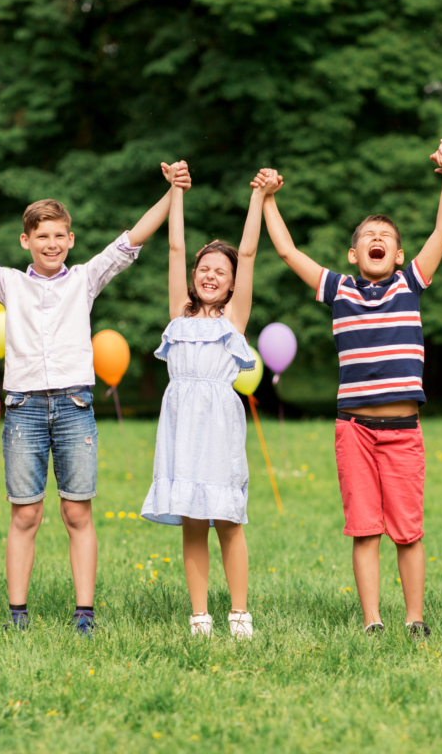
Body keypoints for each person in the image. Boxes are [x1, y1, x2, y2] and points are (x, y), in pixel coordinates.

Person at [0, 165, 179, 635]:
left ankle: (84, 614)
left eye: (59, 236)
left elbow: (132, 240)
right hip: (24, 408)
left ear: (71, 240)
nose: (51, 243)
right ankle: (17, 615)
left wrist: (172, 192)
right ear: (26, 240)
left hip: (75, 407)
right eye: (41, 235)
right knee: (25, 513)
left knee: (76, 511)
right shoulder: (9, 283)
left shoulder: (84, 280)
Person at [262, 140, 442, 637]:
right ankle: (373, 620)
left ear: (397, 254)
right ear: (354, 254)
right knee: (365, 528)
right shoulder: (340, 289)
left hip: (403, 431)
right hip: (354, 430)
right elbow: (287, 250)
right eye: (368, 237)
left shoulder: (409, 284)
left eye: (386, 237)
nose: (377, 240)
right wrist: (268, 200)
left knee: (407, 531)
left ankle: (415, 619)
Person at [141, 163, 279, 638]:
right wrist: (176, 191)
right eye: (204, 269)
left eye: (220, 271)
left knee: (226, 518)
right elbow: (175, 246)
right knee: (192, 521)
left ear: (234, 283)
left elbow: (248, 249)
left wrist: (258, 199)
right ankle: (199, 614)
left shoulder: (234, 319)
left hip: (219, 427)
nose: (210, 275)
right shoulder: (177, 316)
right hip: (181, 424)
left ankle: (239, 612)